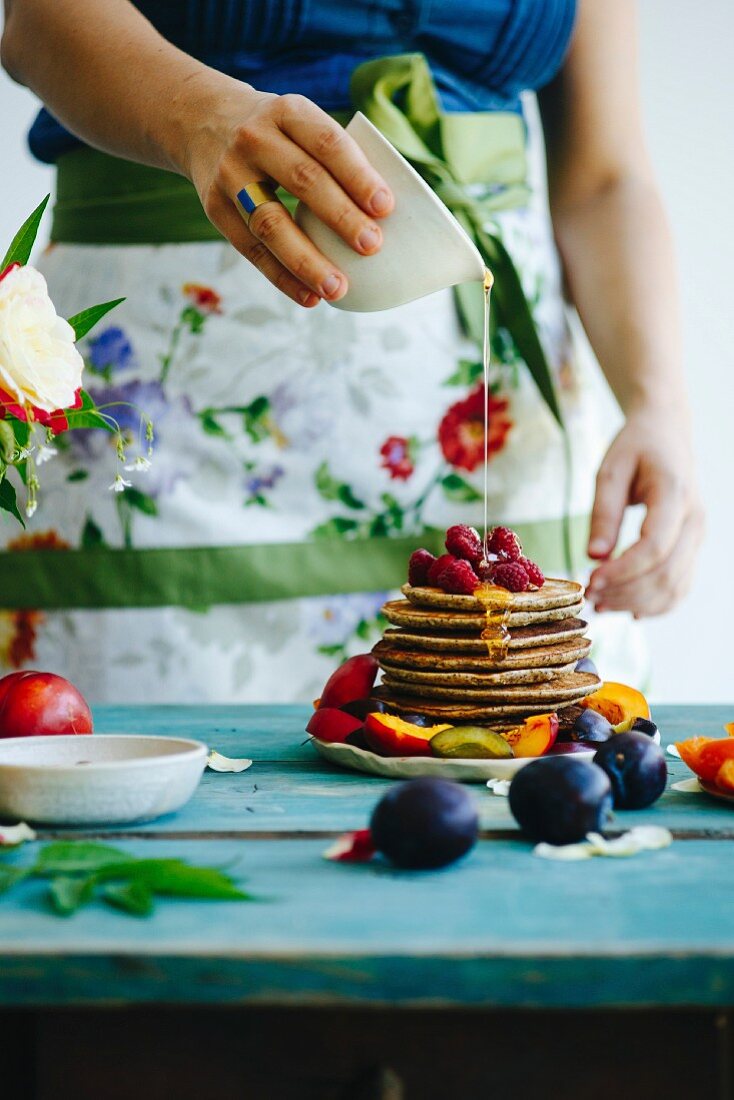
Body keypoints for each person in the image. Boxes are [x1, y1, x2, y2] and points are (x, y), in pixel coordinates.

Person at [0, 0, 703, 702]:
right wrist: (198, 118)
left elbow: (605, 178)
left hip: (494, 425)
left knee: (512, 769)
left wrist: (658, 405)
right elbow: (37, 22)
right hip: (168, 410)